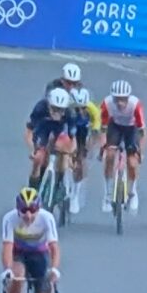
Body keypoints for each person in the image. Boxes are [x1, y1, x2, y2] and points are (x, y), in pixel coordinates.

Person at [100, 80, 147, 214]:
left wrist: (141, 152)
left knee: (132, 163)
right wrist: (104, 145)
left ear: (128, 98)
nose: (120, 103)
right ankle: (108, 194)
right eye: (117, 99)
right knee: (109, 156)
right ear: (113, 98)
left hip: (132, 129)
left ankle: (132, 192)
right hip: (115, 127)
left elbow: (143, 132)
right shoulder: (107, 104)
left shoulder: (135, 105)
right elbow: (103, 129)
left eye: (123, 99)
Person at [24, 88, 73, 193]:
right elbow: (29, 131)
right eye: (54, 109)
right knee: (38, 158)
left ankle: (59, 182)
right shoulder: (40, 108)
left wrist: (71, 154)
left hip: (60, 130)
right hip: (43, 129)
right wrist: (33, 149)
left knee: (63, 150)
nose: (57, 113)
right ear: (48, 105)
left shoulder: (70, 113)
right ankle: (33, 190)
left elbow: (73, 139)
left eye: (60, 110)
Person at [66, 87, 101, 215]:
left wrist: (88, 149)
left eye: (83, 108)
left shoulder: (93, 111)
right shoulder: (66, 108)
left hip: (83, 132)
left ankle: (75, 193)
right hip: (69, 129)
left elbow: (95, 133)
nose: (80, 111)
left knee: (82, 159)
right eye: (77, 109)